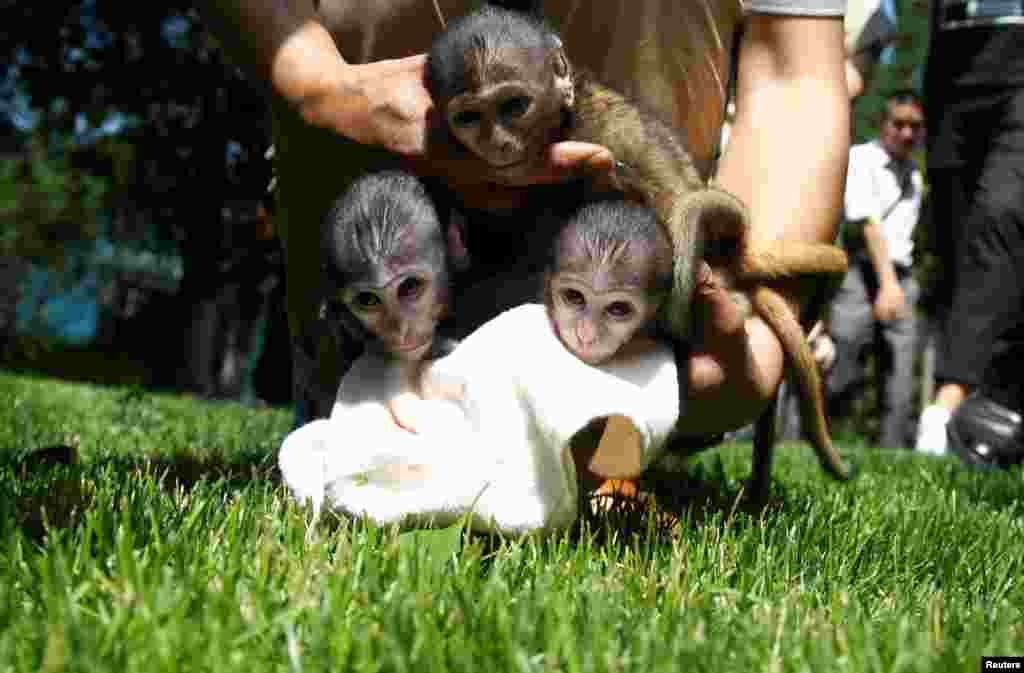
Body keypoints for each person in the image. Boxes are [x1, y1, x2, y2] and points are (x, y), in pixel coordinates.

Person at [197, 0, 849, 456]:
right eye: (480, 120)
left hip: (631, 322)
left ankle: (632, 392)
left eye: (514, 109)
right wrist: (326, 88)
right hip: (390, 300)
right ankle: (360, 378)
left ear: (560, 83)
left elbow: (794, 76)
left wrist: (753, 344)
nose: (503, 144)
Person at [914, 0, 1024, 465]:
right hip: (954, 45)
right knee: (953, 235)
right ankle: (1002, 407)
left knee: (1001, 212)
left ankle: (947, 404)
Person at [825, 91, 924, 449]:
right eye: (899, 124)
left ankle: (893, 450)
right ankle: (811, 439)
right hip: (862, 274)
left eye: (915, 126)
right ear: (883, 125)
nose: (907, 134)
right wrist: (886, 285)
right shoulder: (860, 159)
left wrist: (899, 286)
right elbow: (867, 224)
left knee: (900, 369)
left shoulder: (914, 174)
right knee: (844, 358)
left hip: (903, 276)